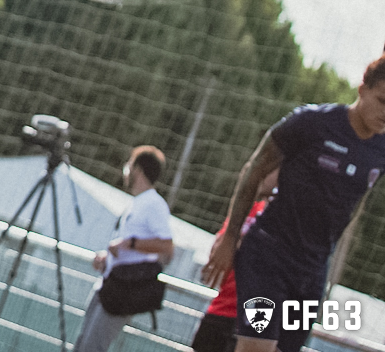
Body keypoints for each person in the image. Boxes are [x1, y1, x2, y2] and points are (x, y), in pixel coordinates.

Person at [202, 57, 385, 352]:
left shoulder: (381, 148)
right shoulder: (312, 122)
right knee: (256, 348)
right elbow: (254, 172)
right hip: (268, 256)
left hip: (313, 270)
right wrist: (230, 236)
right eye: (382, 101)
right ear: (362, 89)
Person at [70, 146, 176, 352]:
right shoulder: (137, 203)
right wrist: (107, 257)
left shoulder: (154, 204)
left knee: (92, 347)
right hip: (109, 281)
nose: (125, 170)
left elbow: (166, 247)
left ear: (138, 170)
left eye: (129, 165)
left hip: (124, 287)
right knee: (83, 343)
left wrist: (130, 243)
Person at [191, 170, 277, 352]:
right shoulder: (246, 211)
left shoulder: (284, 221)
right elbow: (217, 260)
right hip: (220, 310)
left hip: (253, 318)